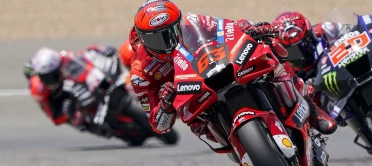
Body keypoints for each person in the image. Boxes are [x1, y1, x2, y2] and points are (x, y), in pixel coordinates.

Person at [129, 0, 336, 139]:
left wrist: (252, 29)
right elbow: (159, 125)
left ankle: (307, 103)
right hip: (197, 102)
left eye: (172, 32)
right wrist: (165, 104)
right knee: (201, 129)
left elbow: (226, 27)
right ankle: (244, 149)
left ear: (179, 23)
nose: (168, 42)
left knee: (267, 48)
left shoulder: (193, 23)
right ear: (143, 38)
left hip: (219, 68)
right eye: (157, 38)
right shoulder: (141, 71)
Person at [24, 45, 153, 138]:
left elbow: (86, 54)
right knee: (77, 120)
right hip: (66, 101)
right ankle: (93, 127)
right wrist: (66, 112)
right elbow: (53, 116)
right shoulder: (38, 89)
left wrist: (102, 51)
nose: (50, 79)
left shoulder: (65, 57)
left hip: (85, 86)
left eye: (52, 74)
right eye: (46, 76)